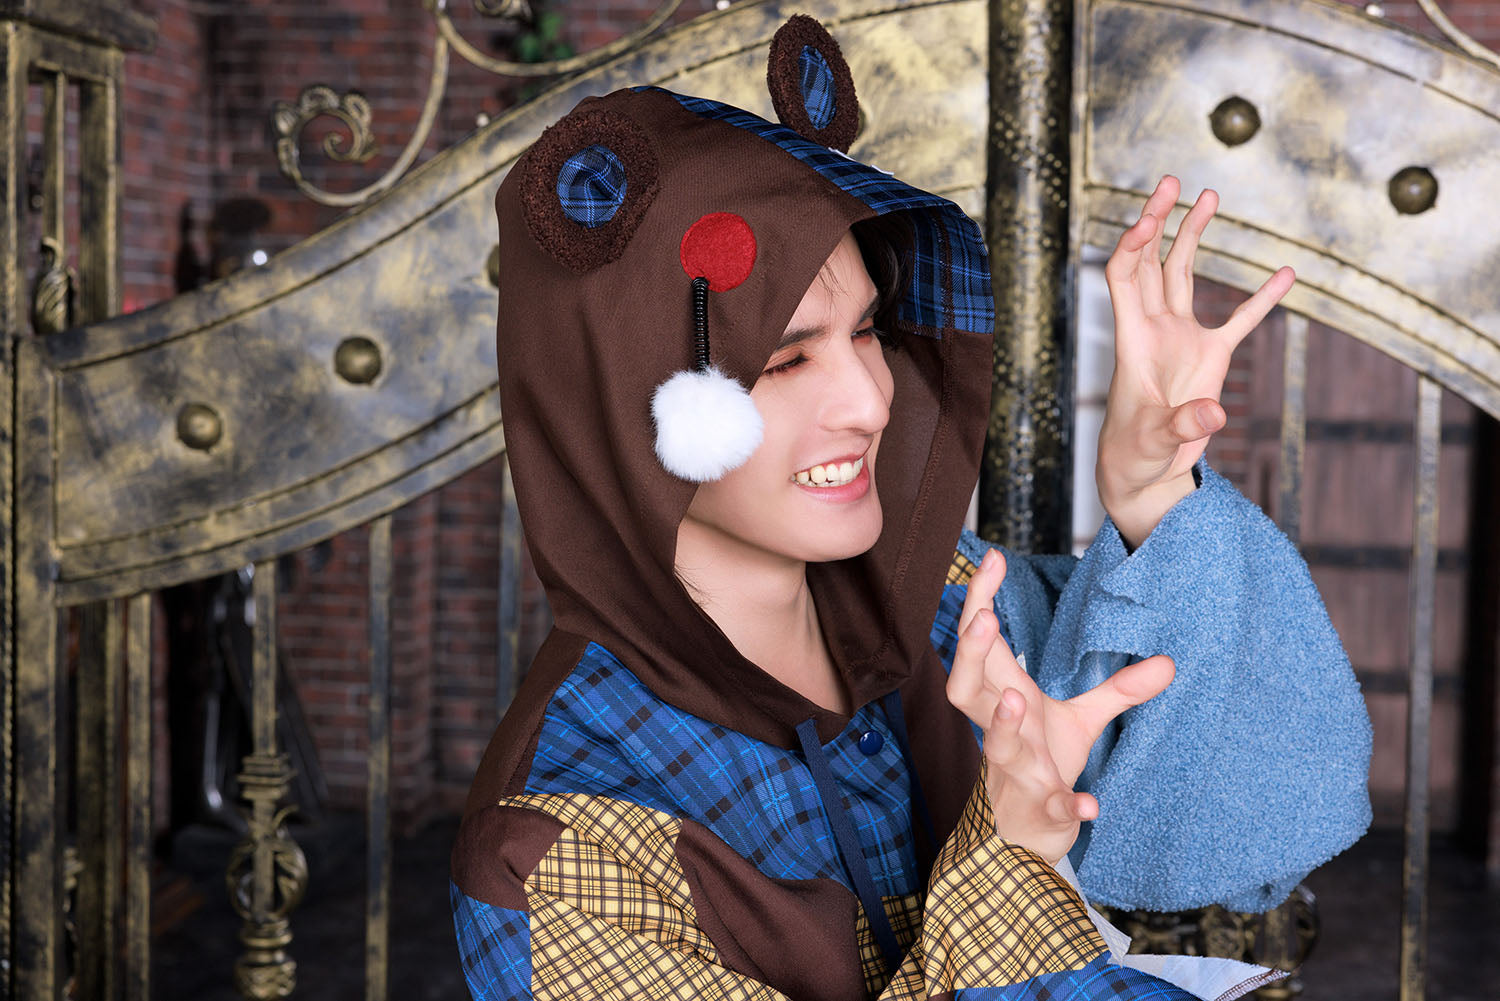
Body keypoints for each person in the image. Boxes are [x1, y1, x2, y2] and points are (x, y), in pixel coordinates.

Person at [451, 16, 1371, 1000]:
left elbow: (1246, 792)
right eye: (786, 359)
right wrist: (1008, 862)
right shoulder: (555, 855)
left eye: (867, 332)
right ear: (630, 411)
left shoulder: (942, 603)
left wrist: (1153, 497)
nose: (870, 399)